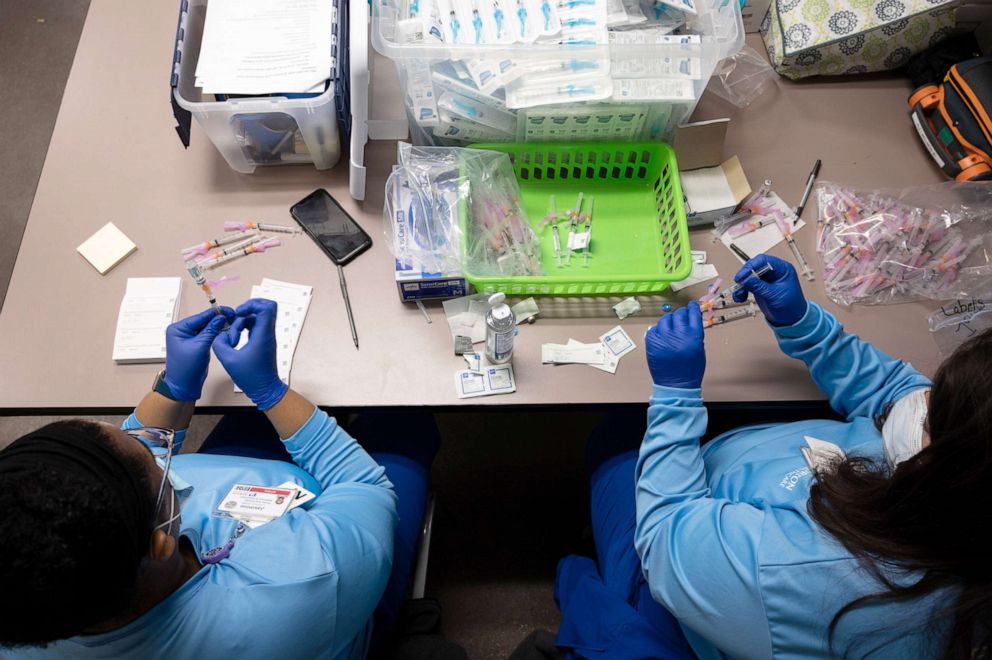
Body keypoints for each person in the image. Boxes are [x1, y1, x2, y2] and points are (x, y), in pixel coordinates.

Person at [554, 254, 991, 659]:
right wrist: (805, 325)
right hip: (745, 480)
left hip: (674, 564)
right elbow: (897, 397)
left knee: (614, 442)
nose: (923, 405)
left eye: (934, 413)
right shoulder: (962, 470)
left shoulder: (816, 574)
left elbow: (666, 534)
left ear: (946, 469)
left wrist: (675, 396)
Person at [0, 298, 438, 659]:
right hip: (336, 592)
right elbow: (363, 485)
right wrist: (269, 391)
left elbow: (113, 481)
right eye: (156, 467)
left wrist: (173, 388)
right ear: (162, 540)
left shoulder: (27, 603)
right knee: (405, 426)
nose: (153, 445)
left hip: (245, 501)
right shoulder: (299, 585)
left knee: (244, 424)